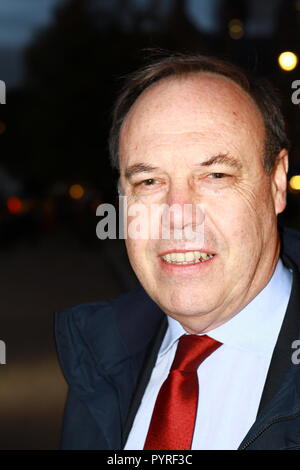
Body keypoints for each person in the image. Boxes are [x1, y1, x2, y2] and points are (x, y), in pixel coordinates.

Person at [55, 52, 300, 450]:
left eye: (215, 175)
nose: (178, 216)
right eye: (149, 181)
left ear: (276, 183)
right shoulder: (96, 362)